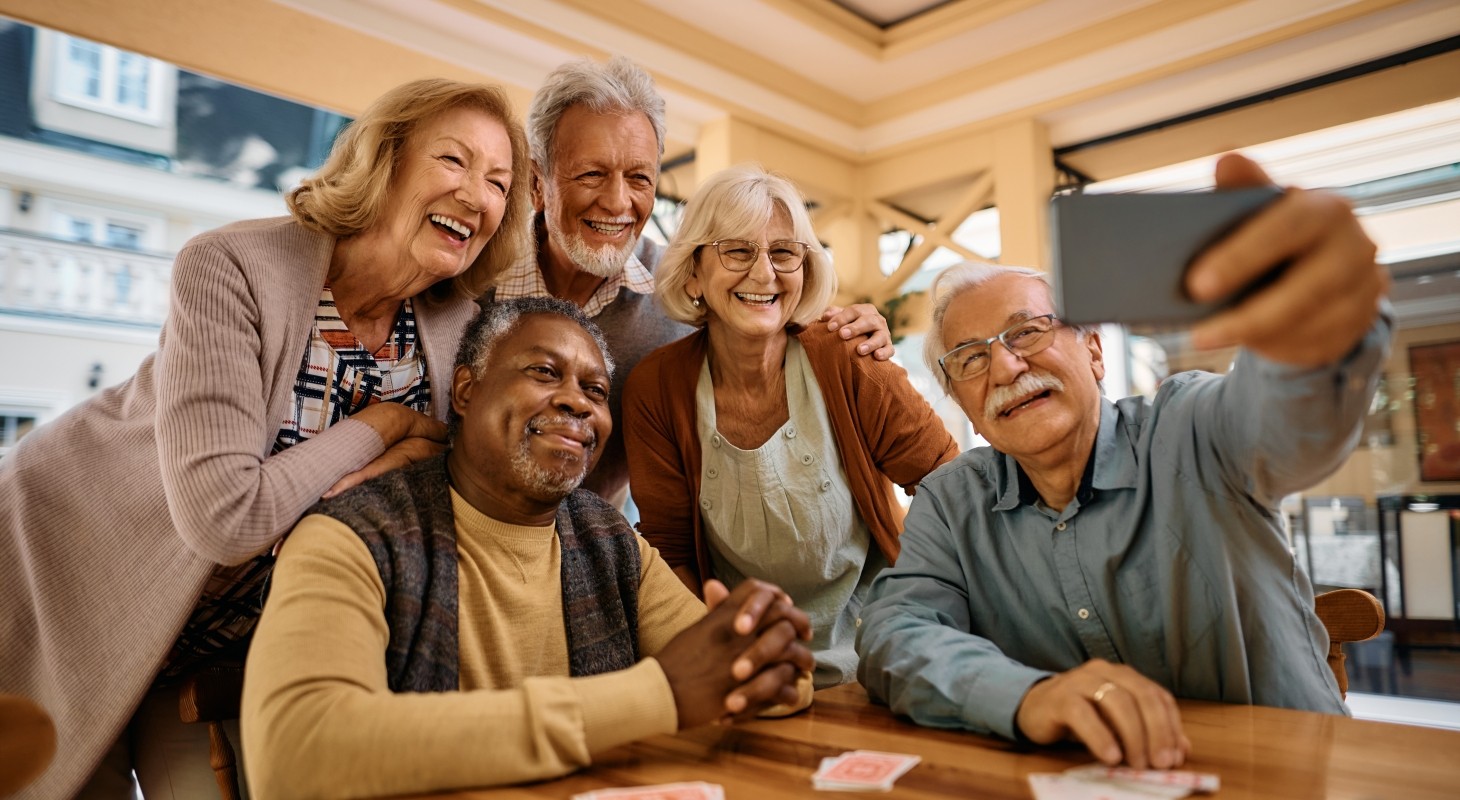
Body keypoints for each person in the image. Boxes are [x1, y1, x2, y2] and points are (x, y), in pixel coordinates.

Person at [0, 78, 533, 799]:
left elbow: (446, 474)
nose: (478, 195)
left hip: (214, 642)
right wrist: (381, 427)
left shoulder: (448, 325)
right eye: (455, 162)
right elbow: (227, 516)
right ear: (387, 160)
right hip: (75, 577)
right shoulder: (232, 266)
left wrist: (421, 446)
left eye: (500, 183)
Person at [856, 154, 1390, 770]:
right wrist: (1027, 696)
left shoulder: (1191, 428)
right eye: (970, 359)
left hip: (1277, 777)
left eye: (1026, 331)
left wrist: (1318, 333)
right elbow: (894, 635)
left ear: (1094, 351)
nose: (1004, 368)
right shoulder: (953, 502)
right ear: (966, 409)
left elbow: (1291, 424)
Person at [241, 298, 813, 798]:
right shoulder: (351, 536)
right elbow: (295, 753)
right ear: (466, 390)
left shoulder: (609, 540)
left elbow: (755, 682)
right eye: (545, 372)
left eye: (595, 390)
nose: (578, 403)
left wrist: (771, 648)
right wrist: (655, 695)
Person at [489, 57, 893, 504]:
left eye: (639, 178)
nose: (618, 201)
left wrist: (853, 331)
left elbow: (771, 322)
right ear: (535, 183)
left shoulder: (687, 285)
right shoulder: (470, 280)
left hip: (596, 545)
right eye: (592, 174)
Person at [623, 164, 960, 689]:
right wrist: (725, 658)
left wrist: (914, 610)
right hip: (749, 669)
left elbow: (949, 488)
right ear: (693, 272)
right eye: (737, 251)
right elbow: (671, 553)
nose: (764, 274)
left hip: (883, 659)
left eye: (783, 252)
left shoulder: (848, 354)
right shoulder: (656, 388)